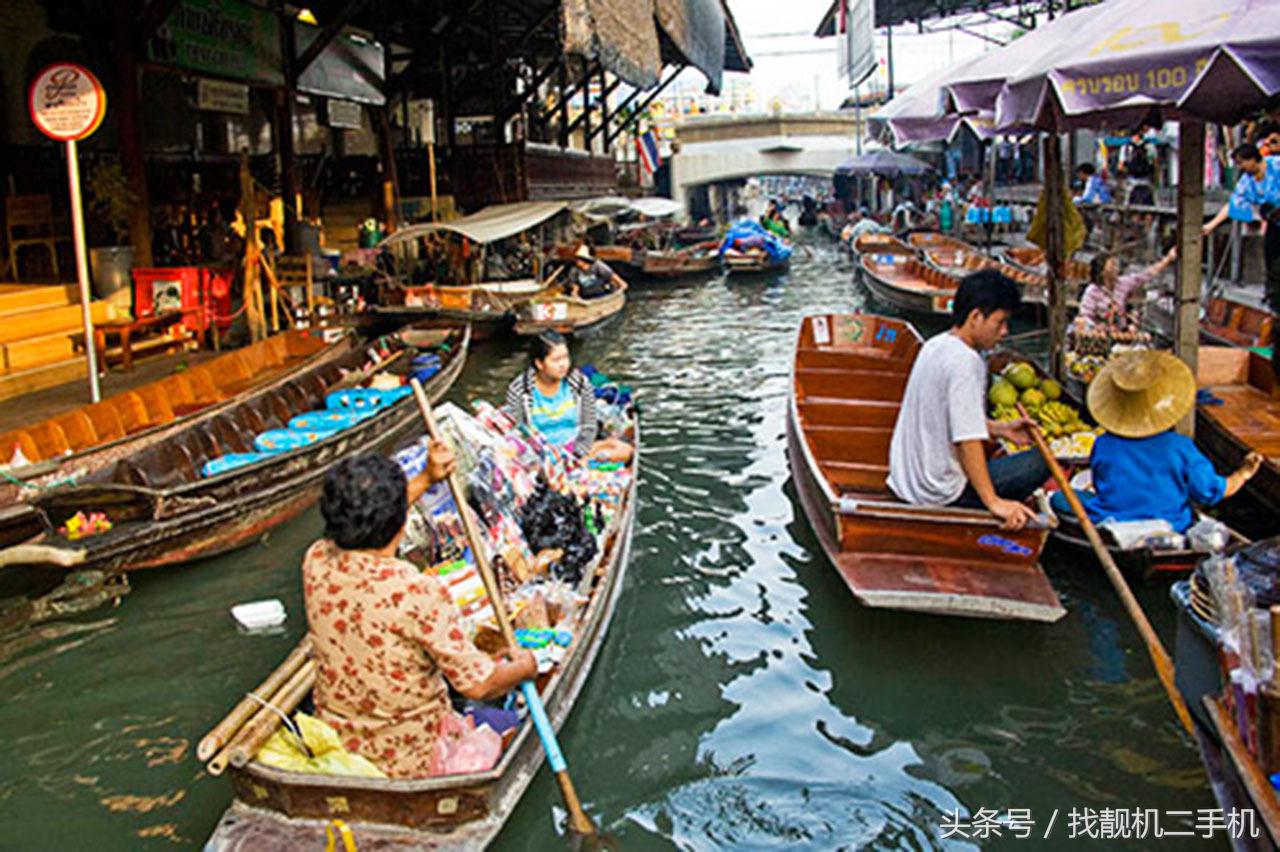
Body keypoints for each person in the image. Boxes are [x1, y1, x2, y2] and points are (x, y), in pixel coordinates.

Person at [303, 452, 537, 778]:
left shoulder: (316, 559)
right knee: (512, 723)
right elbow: (479, 685)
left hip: (340, 743)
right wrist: (526, 667)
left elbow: (372, 520)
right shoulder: (415, 590)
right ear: (399, 522)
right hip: (410, 756)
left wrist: (427, 478)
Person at [887, 269, 1049, 530]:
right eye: (1000, 322)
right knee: (1039, 461)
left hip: (908, 482)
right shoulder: (966, 363)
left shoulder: (936, 344)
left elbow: (949, 417)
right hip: (939, 494)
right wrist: (993, 501)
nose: (1005, 331)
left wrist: (1000, 429)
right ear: (975, 317)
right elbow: (967, 441)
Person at [1050, 351, 1262, 532]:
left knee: (1058, 498)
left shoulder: (1103, 444)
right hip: (1171, 525)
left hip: (1114, 521)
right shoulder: (1180, 447)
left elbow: (1102, 484)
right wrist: (1243, 473)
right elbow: (1212, 491)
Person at [1203, 142, 1280, 375]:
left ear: (1252, 159)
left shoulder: (1277, 165)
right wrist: (1212, 225)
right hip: (1276, 225)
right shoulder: (1247, 181)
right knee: (1274, 266)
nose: (1239, 167)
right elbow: (1234, 203)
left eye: (1241, 162)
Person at [504, 331, 632, 461]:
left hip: (575, 449)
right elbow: (518, 433)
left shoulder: (579, 383)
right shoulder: (519, 389)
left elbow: (589, 425)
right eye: (556, 360)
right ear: (539, 363)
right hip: (540, 455)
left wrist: (577, 456)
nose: (563, 364)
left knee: (624, 449)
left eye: (565, 358)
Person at [1076, 247, 1177, 330]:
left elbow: (1145, 275)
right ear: (1103, 272)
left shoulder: (1122, 283)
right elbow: (1085, 315)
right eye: (1112, 266)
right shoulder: (1092, 291)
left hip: (1120, 333)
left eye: (1115, 265)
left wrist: (1167, 259)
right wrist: (1097, 327)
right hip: (1099, 336)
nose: (1116, 269)